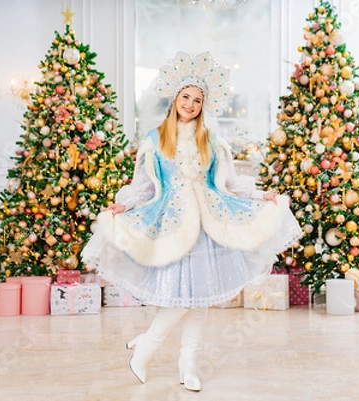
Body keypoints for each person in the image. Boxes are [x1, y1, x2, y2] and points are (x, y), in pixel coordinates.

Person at [81, 52, 302, 392]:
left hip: (207, 221)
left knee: (200, 298)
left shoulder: (211, 140)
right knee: (183, 299)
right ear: (175, 98)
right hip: (171, 223)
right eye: (186, 97)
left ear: (203, 105)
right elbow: (144, 185)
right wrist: (122, 206)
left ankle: (188, 365)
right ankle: (146, 348)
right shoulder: (155, 139)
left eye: (198, 100)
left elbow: (228, 182)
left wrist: (261, 197)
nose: (191, 104)